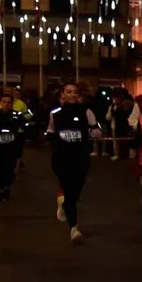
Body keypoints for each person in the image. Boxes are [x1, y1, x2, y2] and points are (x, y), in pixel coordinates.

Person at [47, 82, 101, 244]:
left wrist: (92, 131)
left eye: (74, 92)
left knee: (74, 192)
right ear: (63, 94)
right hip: (61, 159)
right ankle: (74, 228)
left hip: (80, 159)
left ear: (78, 95)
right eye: (68, 92)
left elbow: (97, 132)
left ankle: (65, 206)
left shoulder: (86, 112)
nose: (71, 95)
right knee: (69, 192)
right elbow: (50, 131)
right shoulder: (55, 114)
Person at [0, 93, 26, 201]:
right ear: (0, 103)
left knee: (9, 167)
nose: (6, 104)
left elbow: (21, 128)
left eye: (9, 102)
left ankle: (6, 187)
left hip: (12, 146)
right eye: (4, 102)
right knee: (2, 167)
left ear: (12, 104)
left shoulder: (17, 115)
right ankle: (2, 187)